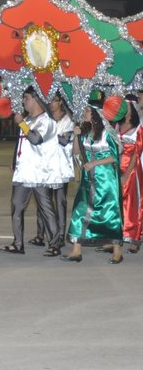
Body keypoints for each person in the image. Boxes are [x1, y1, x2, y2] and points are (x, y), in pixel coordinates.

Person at [0, 87, 63, 257]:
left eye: (26, 98)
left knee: (45, 208)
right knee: (16, 206)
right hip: (23, 172)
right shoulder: (27, 119)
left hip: (39, 173)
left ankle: (55, 243)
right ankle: (17, 243)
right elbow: (21, 144)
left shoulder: (47, 121)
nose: (23, 101)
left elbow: (35, 139)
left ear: (36, 99)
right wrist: (15, 162)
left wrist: (21, 123)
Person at [61, 103, 123, 264]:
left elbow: (114, 158)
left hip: (106, 180)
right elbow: (76, 152)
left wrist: (94, 163)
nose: (84, 113)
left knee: (110, 213)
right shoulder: (85, 132)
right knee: (80, 211)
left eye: (87, 111)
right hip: (88, 179)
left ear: (96, 114)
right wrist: (76, 135)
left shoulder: (107, 134)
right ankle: (76, 250)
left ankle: (117, 251)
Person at [29, 92, 74, 248]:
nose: (51, 104)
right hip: (45, 165)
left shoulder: (68, 120)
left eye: (54, 101)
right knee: (43, 202)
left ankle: (60, 235)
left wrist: (49, 133)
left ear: (60, 102)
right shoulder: (45, 119)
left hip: (60, 167)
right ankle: (40, 235)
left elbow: (64, 140)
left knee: (60, 202)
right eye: (48, 101)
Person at [98, 99, 141, 255]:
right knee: (114, 204)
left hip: (131, 170)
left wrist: (128, 173)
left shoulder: (138, 128)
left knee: (131, 205)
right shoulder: (116, 125)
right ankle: (115, 238)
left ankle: (134, 238)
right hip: (115, 168)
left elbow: (137, 153)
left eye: (127, 106)